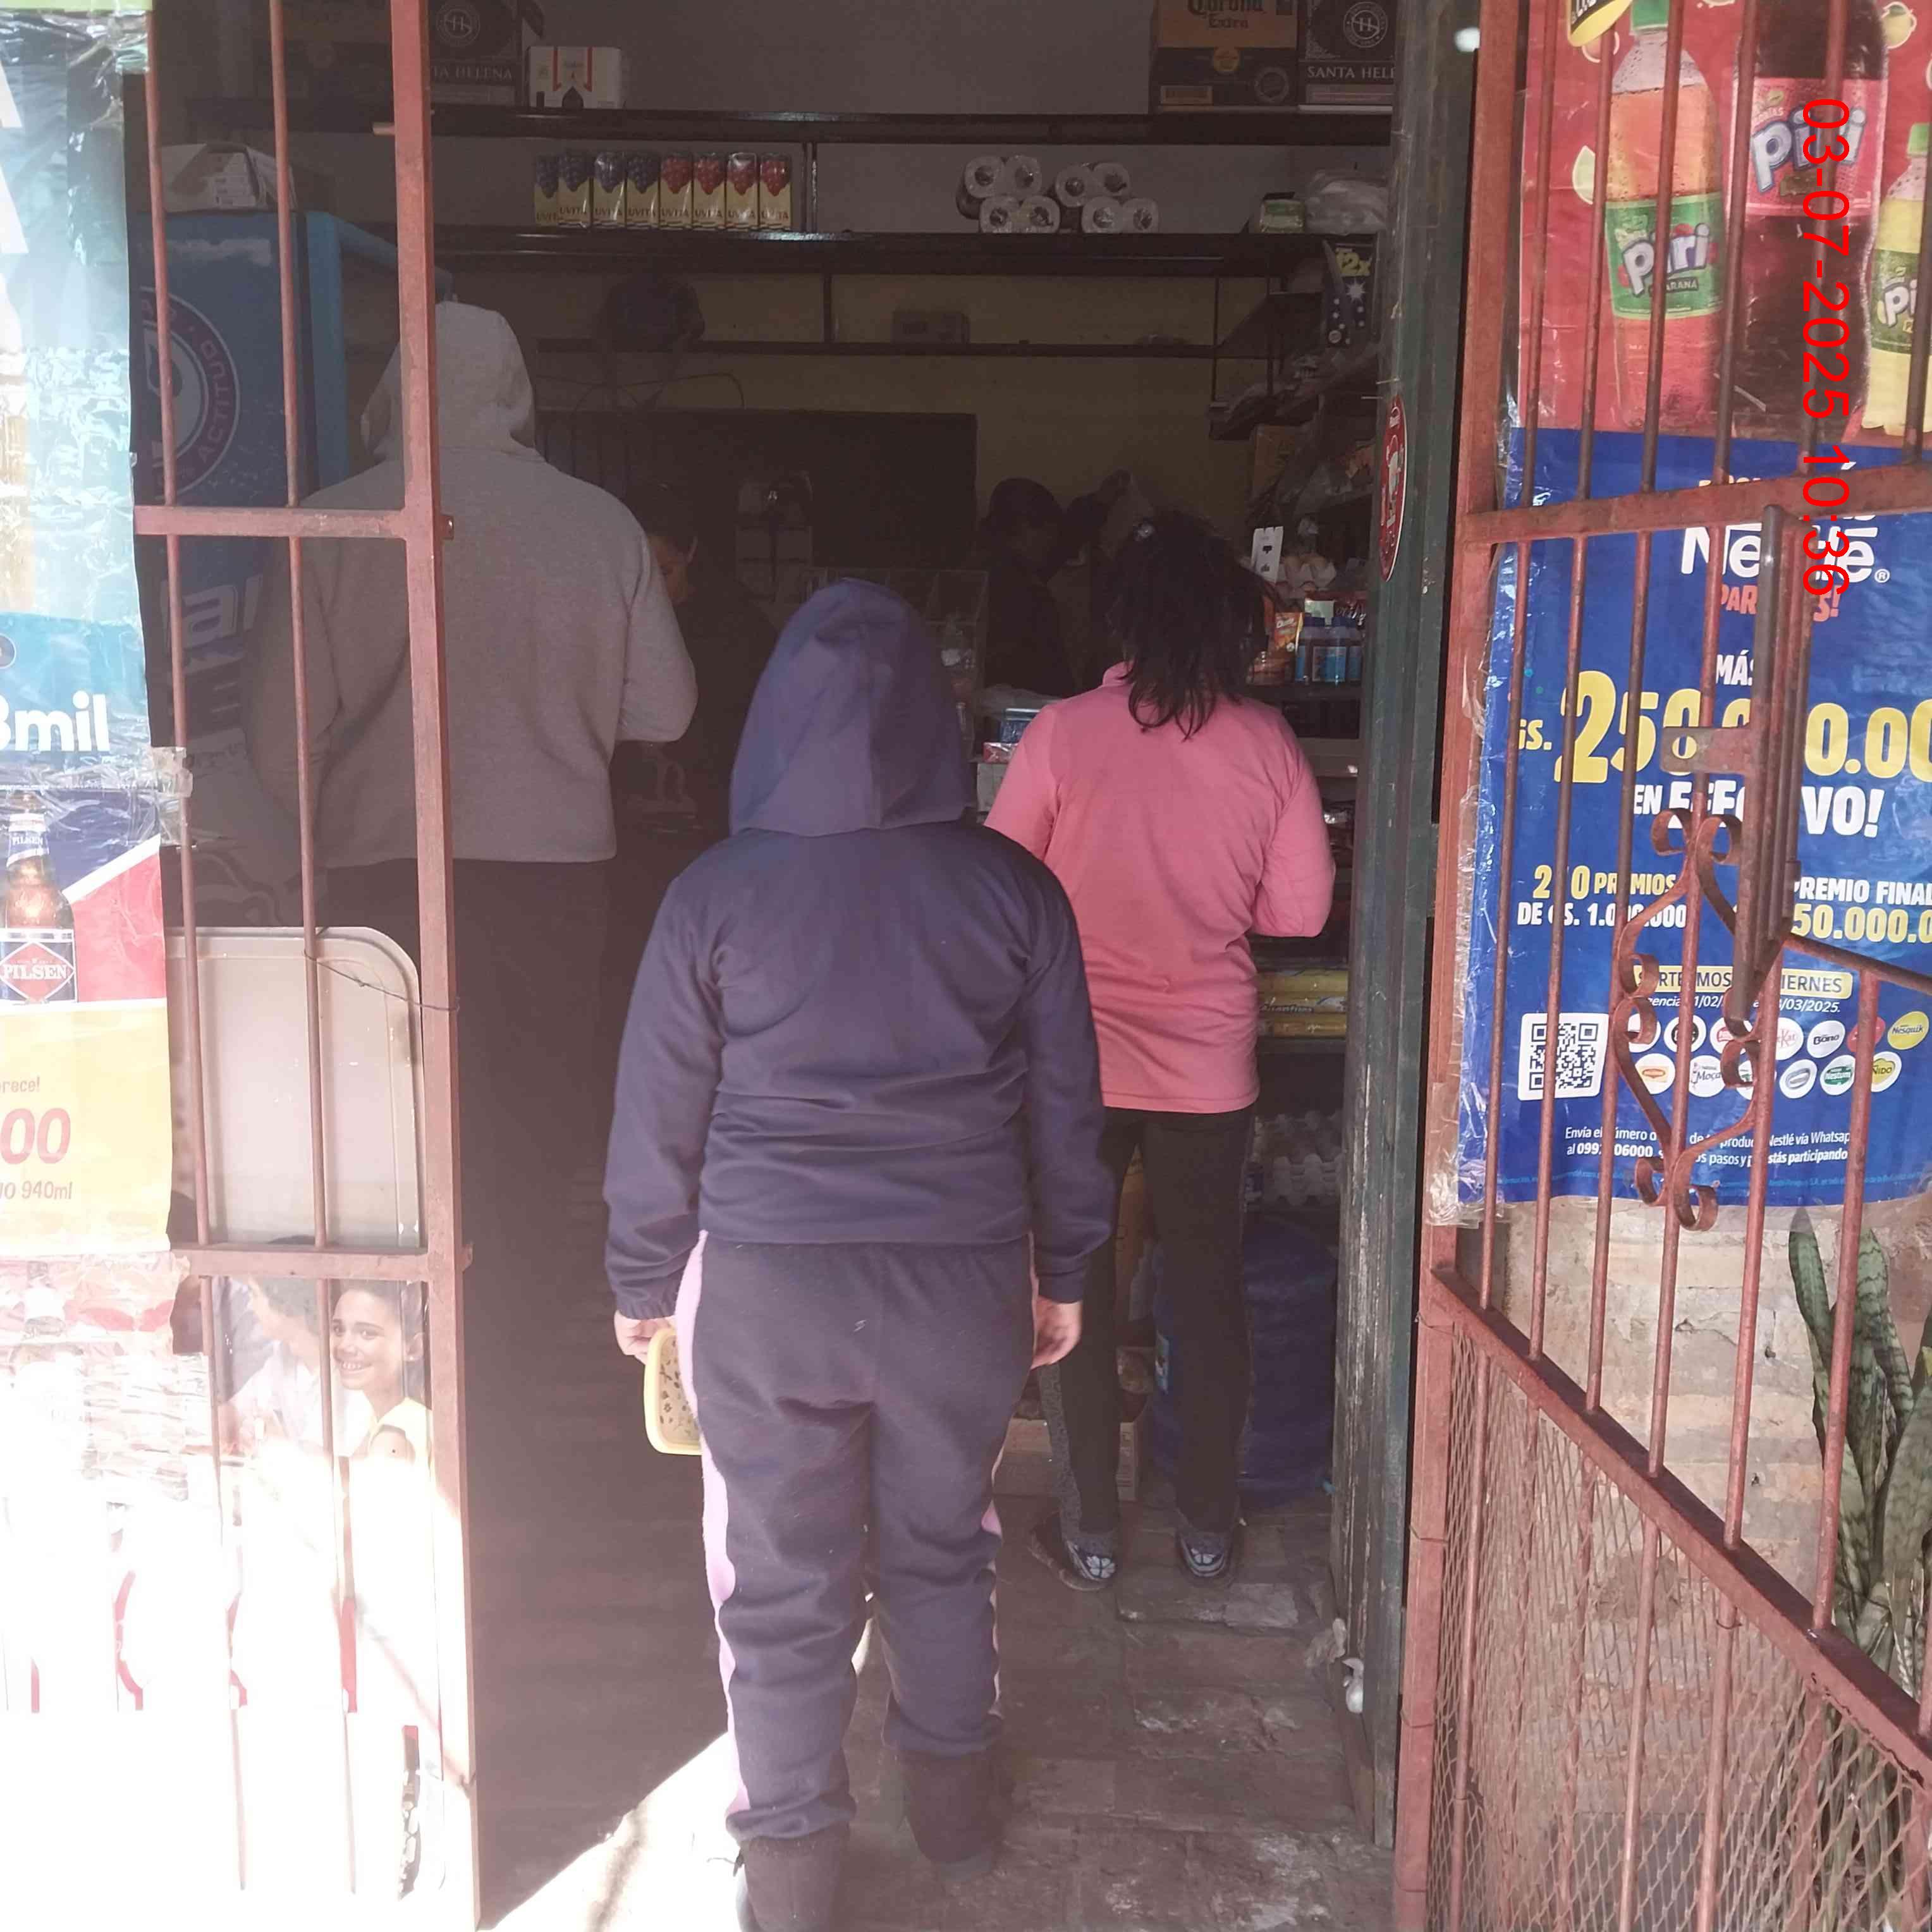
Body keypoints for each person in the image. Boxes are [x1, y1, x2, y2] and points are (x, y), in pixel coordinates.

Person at [603, 580, 1112, 1932]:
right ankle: (952, 1815)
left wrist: (643, 1280)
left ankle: (790, 1872)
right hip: (958, 1280)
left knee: (776, 1577)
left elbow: (658, 1111)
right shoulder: (1016, 891)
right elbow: (1068, 1105)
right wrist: (1063, 1267)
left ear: (774, 723)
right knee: (944, 1548)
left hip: (766, 1286)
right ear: (939, 724)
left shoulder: (711, 897)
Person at [245, 303, 697, 1299]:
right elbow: (666, 710)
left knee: (395, 1125)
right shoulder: (599, 524)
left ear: (393, 389)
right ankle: (519, 1321)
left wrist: (342, 815)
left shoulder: (334, 522)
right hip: (556, 879)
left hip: (383, 876)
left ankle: (410, 1332)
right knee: (533, 1120)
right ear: (515, 392)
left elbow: (278, 742)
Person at [987, 511, 1336, 1589]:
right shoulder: (1266, 745)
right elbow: (1300, 916)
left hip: (1072, 1066)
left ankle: (1090, 1533)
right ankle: (1207, 1529)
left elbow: (1002, 893)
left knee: (1073, 1290)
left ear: (1124, 622)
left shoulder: (1062, 734)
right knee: (1207, 1291)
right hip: (1205, 1070)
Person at [629, 480, 780, 840]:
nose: (652, 589)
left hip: (718, 818)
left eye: (665, 572)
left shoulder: (738, 626)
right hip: (636, 823)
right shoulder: (611, 618)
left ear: (691, 552)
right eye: (637, 574)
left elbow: (754, 730)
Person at [977, 477, 1077, 698]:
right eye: (1048, 533)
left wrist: (1099, 502)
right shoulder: (1014, 586)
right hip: (1022, 708)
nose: (1051, 543)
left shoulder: (990, 566)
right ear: (1026, 529)